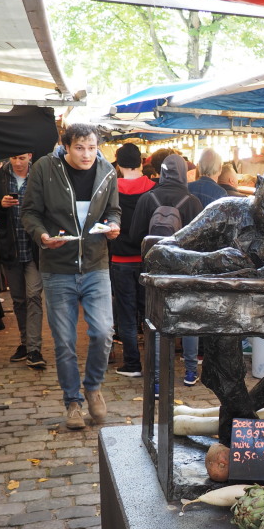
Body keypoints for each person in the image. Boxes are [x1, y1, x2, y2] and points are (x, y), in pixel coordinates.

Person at [144, 152, 264, 442]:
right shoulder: (226, 212)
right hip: (226, 316)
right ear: (258, 185)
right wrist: (208, 260)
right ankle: (240, 415)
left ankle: (242, 412)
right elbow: (158, 253)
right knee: (223, 335)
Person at [20, 124, 121, 431]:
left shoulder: (107, 171)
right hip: (57, 267)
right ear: (65, 147)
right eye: (79, 148)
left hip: (95, 264)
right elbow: (29, 212)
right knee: (64, 341)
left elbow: (114, 210)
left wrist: (112, 225)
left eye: (91, 147)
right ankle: (72, 402)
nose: (86, 154)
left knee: (103, 332)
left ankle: (93, 387)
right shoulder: (44, 168)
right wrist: (42, 235)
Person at [129, 154, 204, 388]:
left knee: (157, 323)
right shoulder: (192, 201)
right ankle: (190, 372)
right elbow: (201, 241)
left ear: (161, 172)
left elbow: (135, 236)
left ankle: (158, 381)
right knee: (189, 319)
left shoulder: (146, 199)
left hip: (155, 271)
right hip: (185, 271)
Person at [0, 152, 45, 369]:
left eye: (22, 158)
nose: (18, 162)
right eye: (14, 158)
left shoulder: (39, 174)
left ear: (29, 156)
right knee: (18, 299)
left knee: (34, 296)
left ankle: (34, 349)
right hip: (11, 247)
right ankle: (25, 342)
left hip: (34, 247)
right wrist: (0, 205)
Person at [110, 143, 156, 378]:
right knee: (150, 314)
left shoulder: (111, 190)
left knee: (126, 314)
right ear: (141, 162)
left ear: (118, 164)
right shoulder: (153, 189)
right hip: (147, 259)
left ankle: (132, 364)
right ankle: (154, 364)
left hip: (120, 259)